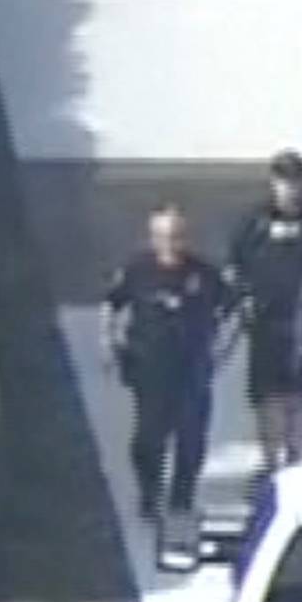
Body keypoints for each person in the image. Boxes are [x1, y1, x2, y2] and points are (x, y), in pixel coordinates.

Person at [103, 207, 234, 526]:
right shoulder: (138, 269)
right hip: (149, 368)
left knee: (191, 438)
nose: (170, 243)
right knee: (149, 438)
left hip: (192, 368)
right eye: (163, 236)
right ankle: (150, 493)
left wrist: (221, 351)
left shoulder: (204, 273)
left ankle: (181, 499)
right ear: (153, 238)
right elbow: (112, 303)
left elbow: (233, 310)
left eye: (176, 236)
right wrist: (108, 343)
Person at [227, 150, 302, 476]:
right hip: (265, 320)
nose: (289, 188)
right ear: (273, 183)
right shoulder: (255, 220)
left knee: (299, 397)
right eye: (283, 181)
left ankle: (295, 464)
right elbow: (234, 266)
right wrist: (242, 299)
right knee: (267, 397)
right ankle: (269, 463)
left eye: (295, 181)